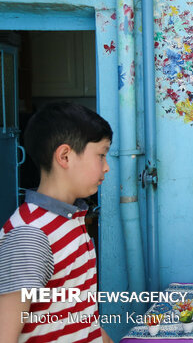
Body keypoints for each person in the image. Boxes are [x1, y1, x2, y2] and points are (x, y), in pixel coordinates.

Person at [0, 102, 114, 343]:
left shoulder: (72, 220)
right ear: (65, 156)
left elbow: (82, 316)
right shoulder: (30, 234)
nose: (107, 167)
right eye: (101, 155)